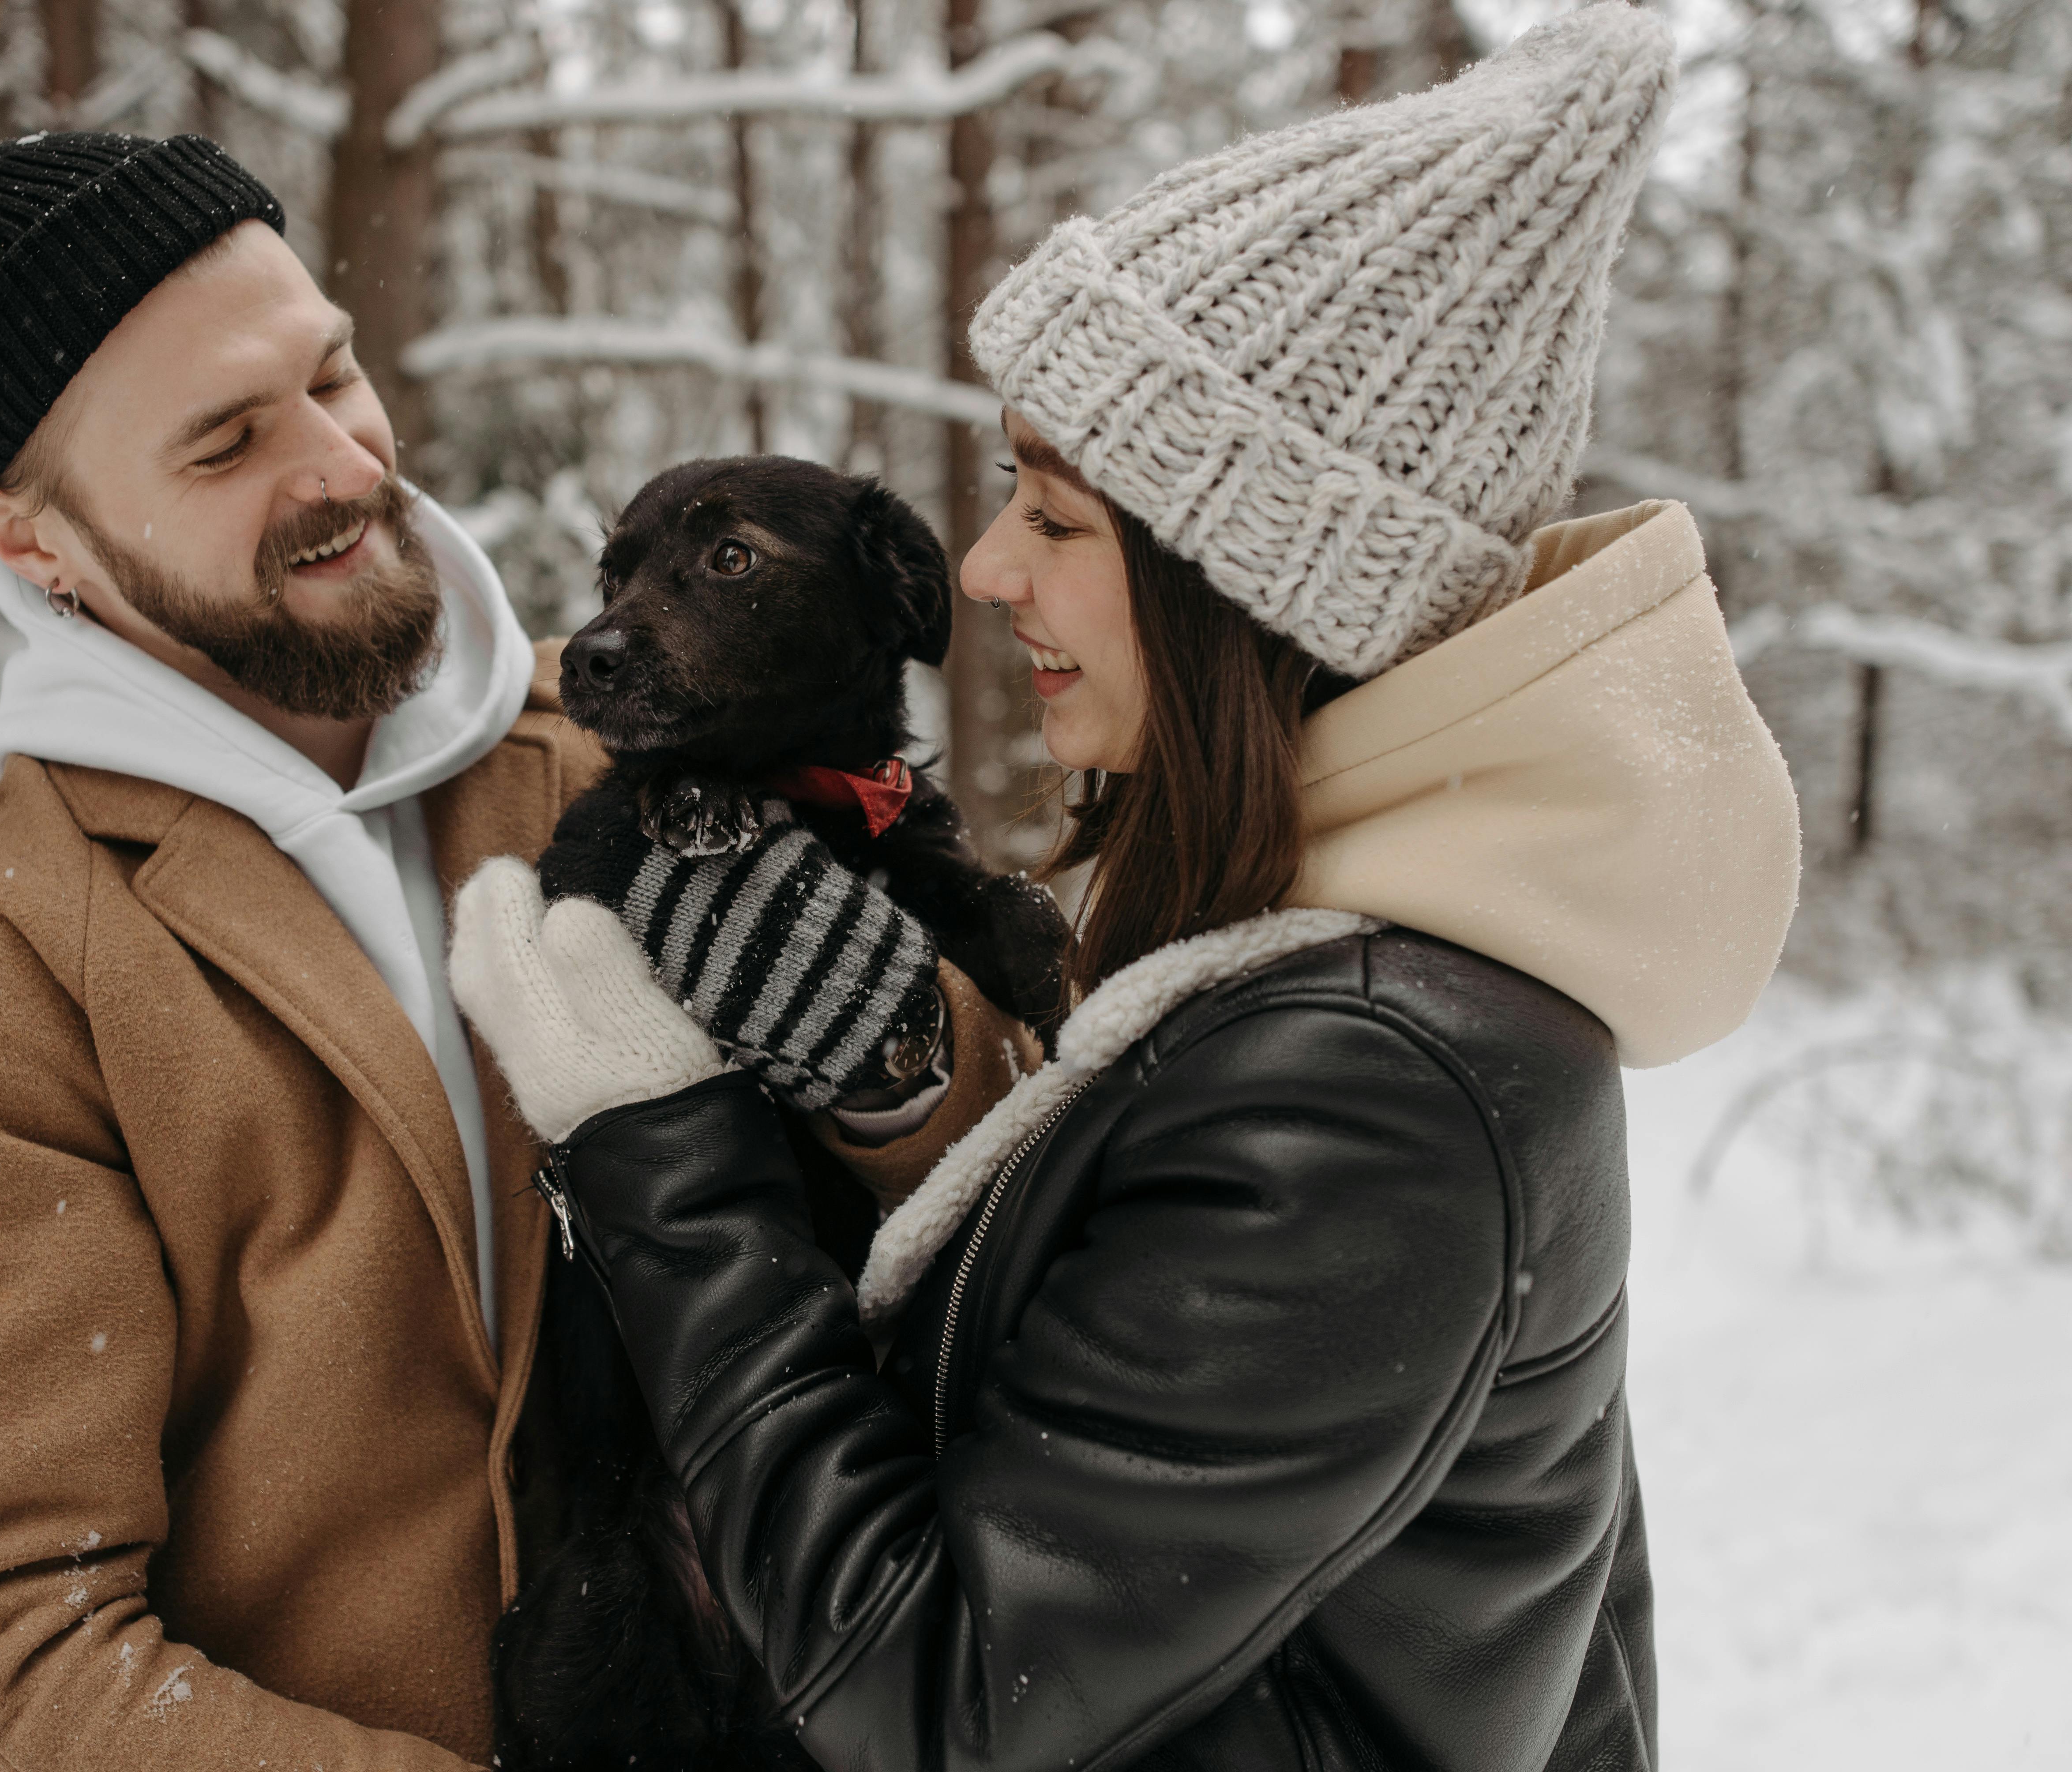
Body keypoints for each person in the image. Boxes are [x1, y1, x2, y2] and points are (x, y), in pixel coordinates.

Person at [447, 9, 1802, 1768]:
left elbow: (942, 1697)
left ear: (1250, 588)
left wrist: (665, 1143)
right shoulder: (1315, 966)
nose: (989, 564)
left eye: (1059, 515)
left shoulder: (1384, 1077)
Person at [0, 132, 1026, 1770]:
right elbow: (8, 1651)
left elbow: (1026, 1209)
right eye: (227, 441)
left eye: (333, 374)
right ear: (28, 536)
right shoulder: (4, 961)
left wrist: (902, 1080)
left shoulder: (636, 754)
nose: (341, 463)